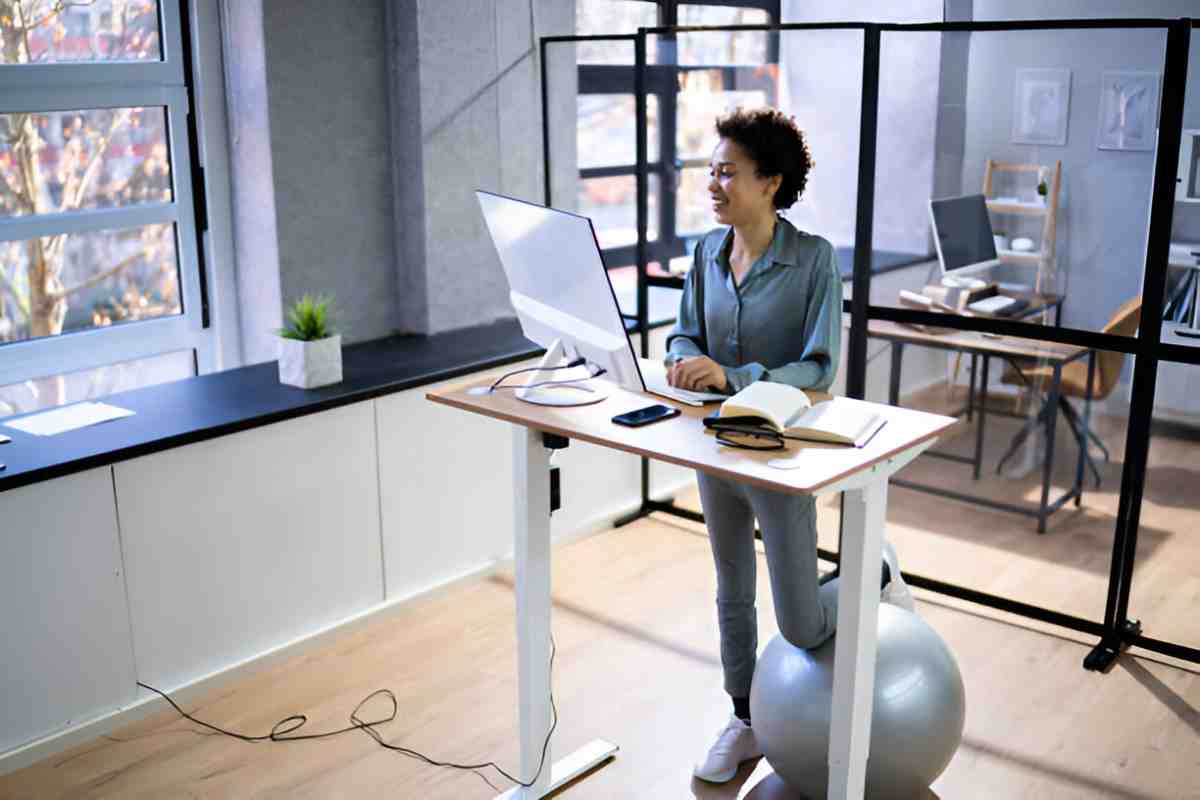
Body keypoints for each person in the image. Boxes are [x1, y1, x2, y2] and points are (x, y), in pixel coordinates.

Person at [665, 107, 914, 784]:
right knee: (731, 589)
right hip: (715, 450)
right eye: (711, 170)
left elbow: (817, 367)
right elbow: (683, 333)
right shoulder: (704, 255)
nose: (713, 184)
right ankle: (744, 718)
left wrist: (734, 376)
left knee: (802, 625)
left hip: (780, 455)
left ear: (770, 182)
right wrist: (684, 360)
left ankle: (874, 574)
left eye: (728, 173)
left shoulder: (812, 260)